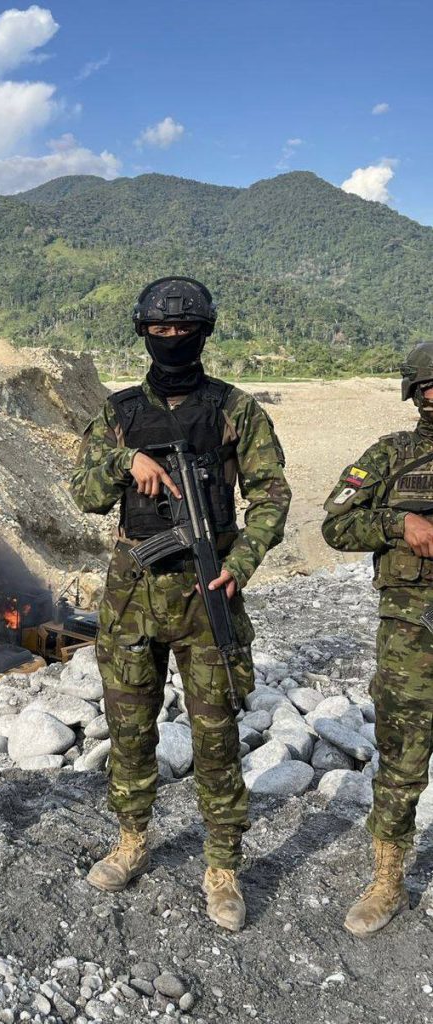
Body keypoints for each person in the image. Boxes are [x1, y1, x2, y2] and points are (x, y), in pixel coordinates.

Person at [69, 277, 291, 931]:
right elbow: (83, 492)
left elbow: (271, 496)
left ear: (203, 333)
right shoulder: (116, 413)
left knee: (216, 737)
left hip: (205, 589)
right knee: (130, 732)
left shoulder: (234, 409)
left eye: (184, 329)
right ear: (143, 333)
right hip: (132, 596)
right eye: (160, 330)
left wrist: (239, 565)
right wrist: (124, 463)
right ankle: (131, 841)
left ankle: (222, 865)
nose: (172, 339)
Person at [321, 341, 433, 937]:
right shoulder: (391, 455)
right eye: (432, 387)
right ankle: (388, 878)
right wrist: (398, 523)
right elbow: (335, 523)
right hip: (412, 639)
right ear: (415, 392)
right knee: (403, 758)